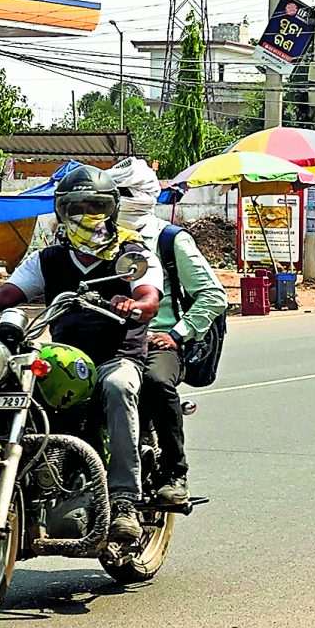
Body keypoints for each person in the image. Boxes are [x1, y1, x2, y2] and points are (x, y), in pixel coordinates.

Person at [0, 165, 163, 541]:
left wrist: (135, 305)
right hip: (65, 359)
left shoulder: (132, 253)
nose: (85, 216)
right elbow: (8, 293)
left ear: (111, 209)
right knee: (13, 382)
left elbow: (149, 298)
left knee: (118, 388)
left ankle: (125, 501)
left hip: (117, 356)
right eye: (75, 208)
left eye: (95, 206)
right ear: (62, 212)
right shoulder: (49, 259)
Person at [106, 157, 227, 506]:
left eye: (123, 192)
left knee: (157, 382)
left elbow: (213, 295)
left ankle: (175, 472)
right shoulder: (95, 238)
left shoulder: (169, 239)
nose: (115, 200)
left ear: (143, 196)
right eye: (112, 192)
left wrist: (176, 334)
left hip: (155, 339)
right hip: (102, 337)